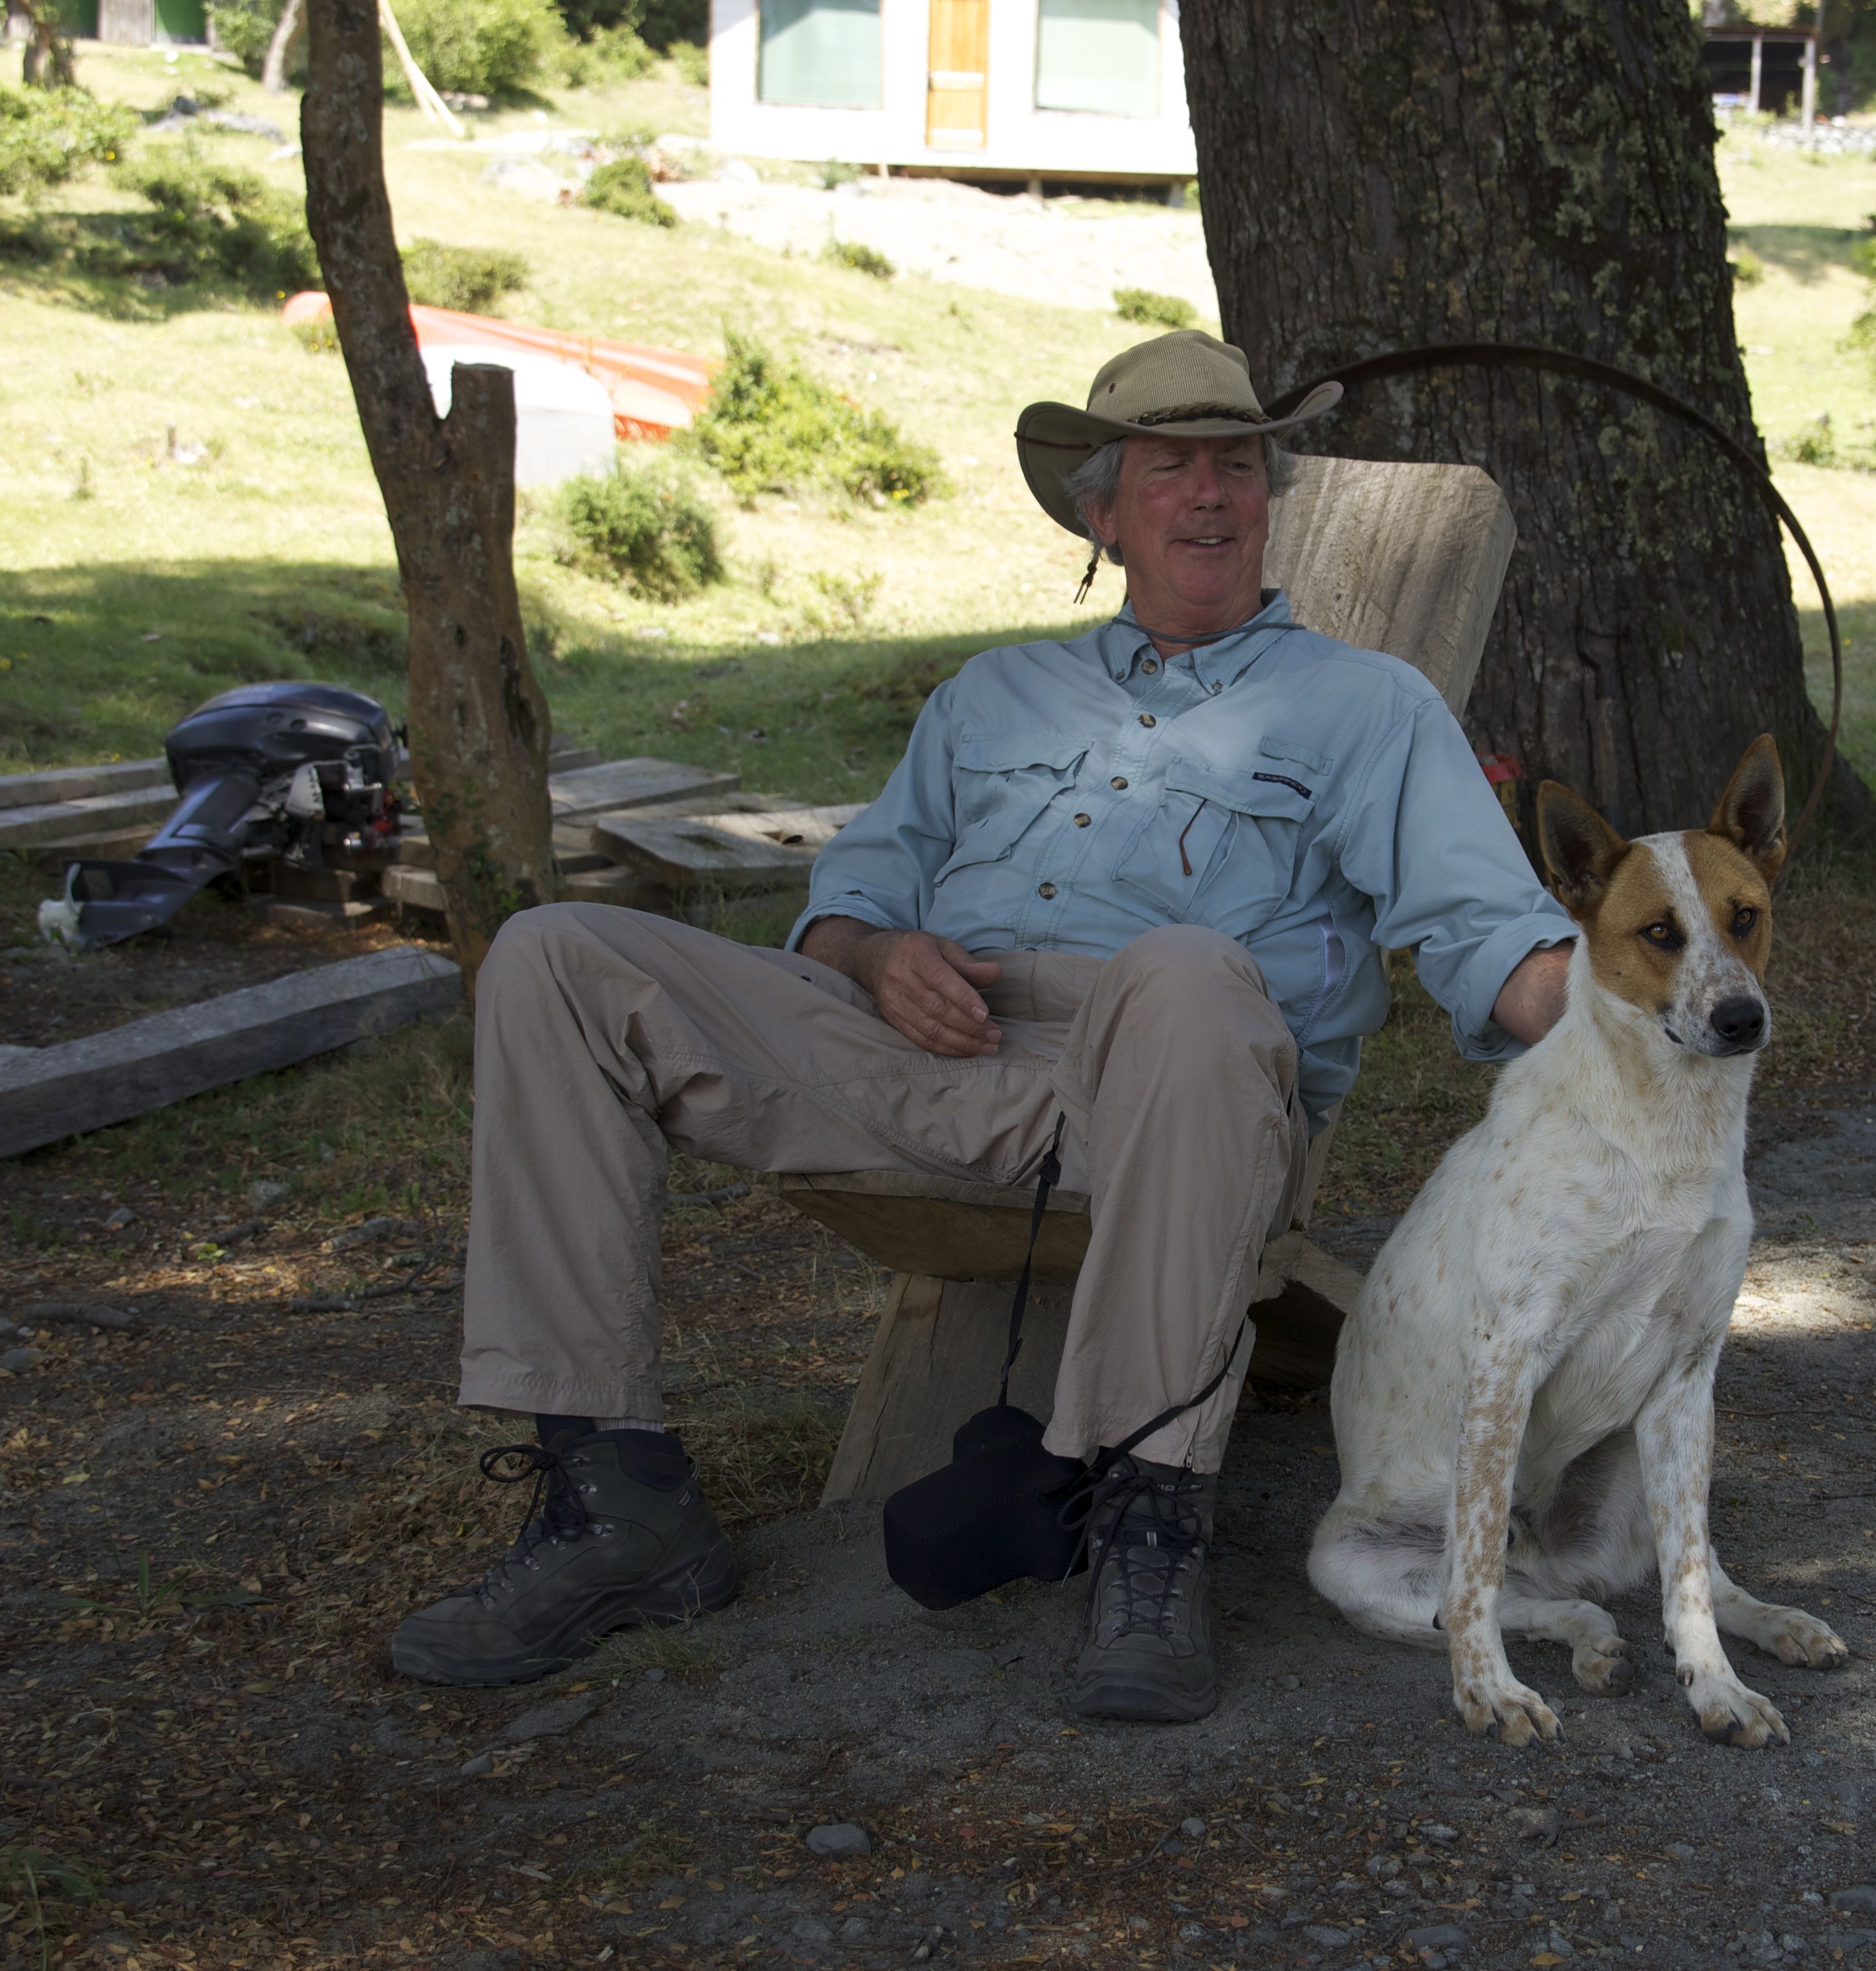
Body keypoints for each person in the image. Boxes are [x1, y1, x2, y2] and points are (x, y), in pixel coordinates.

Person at [384, 330, 1581, 1725]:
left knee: (1186, 970)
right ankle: (616, 1501)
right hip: (919, 1052)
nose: (1209, 494)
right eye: (1170, 467)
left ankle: (1146, 1521)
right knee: (556, 955)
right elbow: (848, 901)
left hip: (1169, 1085)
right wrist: (876, 955)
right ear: (1101, 511)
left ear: (1270, 499)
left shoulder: (1365, 705)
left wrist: (1654, 1013)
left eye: (1238, 466)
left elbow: (1489, 929)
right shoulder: (990, 697)